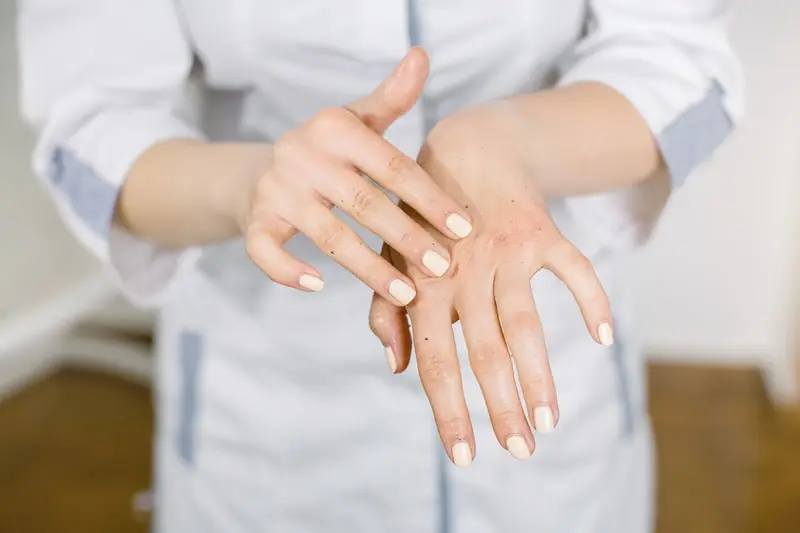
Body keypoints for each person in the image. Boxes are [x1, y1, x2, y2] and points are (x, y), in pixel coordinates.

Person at [17, 1, 743, 532]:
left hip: (547, 362)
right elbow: (94, 121)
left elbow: (675, 58)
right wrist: (253, 186)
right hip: (267, 395)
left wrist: (513, 141)